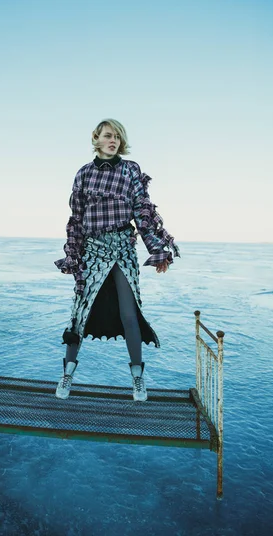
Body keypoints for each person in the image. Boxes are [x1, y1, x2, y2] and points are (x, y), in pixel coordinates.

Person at [54, 119, 180, 401]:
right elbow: (76, 219)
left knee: (128, 314)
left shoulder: (130, 170)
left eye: (118, 137)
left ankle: (138, 379)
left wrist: (158, 250)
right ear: (96, 138)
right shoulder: (84, 174)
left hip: (123, 248)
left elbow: (143, 213)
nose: (114, 141)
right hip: (92, 250)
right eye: (109, 136)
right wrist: (73, 256)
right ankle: (66, 376)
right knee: (80, 315)